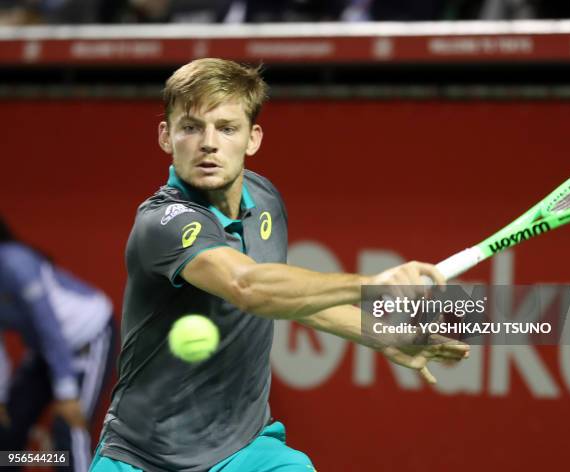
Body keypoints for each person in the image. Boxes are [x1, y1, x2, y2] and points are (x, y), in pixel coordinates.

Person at [90, 58, 470, 472]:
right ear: (166, 136)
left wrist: (379, 333)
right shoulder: (161, 222)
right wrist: (372, 284)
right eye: (191, 127)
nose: (209, 143)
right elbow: (249, 287)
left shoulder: (265, 200)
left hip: (242, 451)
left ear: (253, 139)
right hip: (142, 457)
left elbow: (289, 299)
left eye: (227, 128)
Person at [0, 217, 117, 472]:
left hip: (90, 336)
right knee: (8, 430)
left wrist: (66, 393)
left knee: (68, 426)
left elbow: (48, 324)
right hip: (46, 350)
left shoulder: (14, 261)